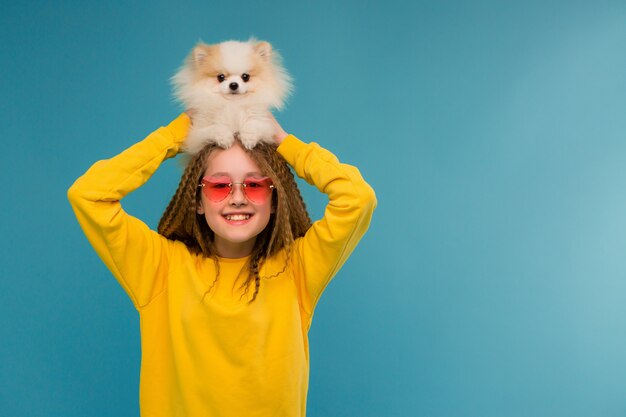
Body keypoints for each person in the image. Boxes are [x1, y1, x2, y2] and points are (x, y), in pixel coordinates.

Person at [67, 111, 376, 417]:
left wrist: (284, 142)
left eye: (254, 185)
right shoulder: (160, 266)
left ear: (274, 198)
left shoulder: (297, 267)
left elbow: (357, 199)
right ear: (197, 200)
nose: (238, 198)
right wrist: (175, 136)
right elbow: (89, 195)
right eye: (219, 186)